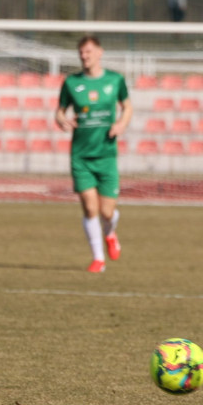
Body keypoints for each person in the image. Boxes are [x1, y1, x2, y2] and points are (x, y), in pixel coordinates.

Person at [55, 36, 132, 273]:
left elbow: (127, 106)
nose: (84, 56)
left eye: (88, 52)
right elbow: (59, 112)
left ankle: (110, 233)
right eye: (81, 52)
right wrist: (63, 122)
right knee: (90, 208)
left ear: (100, 52)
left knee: (107, 211)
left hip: (107, 155)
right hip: (81, 156)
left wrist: (121, 124)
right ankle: (98, 259)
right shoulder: (71, 83)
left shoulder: (115, 80)